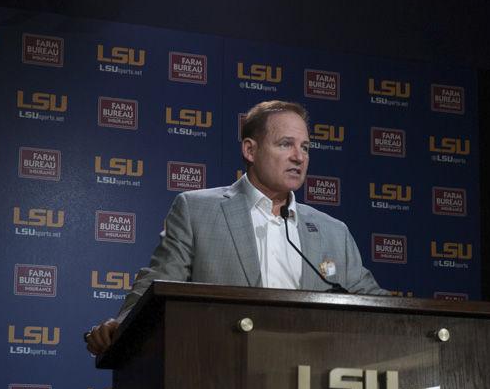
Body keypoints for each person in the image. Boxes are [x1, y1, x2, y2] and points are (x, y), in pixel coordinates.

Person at [85, 100, 383, 355]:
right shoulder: (196, 210)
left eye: (305, 147)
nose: (299, 156)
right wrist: (122, 324)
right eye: (285, 144)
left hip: (310, 376)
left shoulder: (333, 231)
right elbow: (159, 280)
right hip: (222, 370)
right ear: (250, 150)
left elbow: (375, 303)